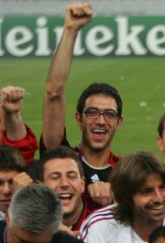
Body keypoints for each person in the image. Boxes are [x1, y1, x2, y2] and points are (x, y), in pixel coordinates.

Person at [42, 4, 123, 211]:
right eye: (92, 112)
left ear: (119, 122)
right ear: (78, 118)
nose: (101, 121)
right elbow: (54, 92)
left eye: (110, 114)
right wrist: (70, 31)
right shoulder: (62, 159)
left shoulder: (126, 172)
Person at [38, 146, 90, 233]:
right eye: (55, 177)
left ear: (82, 184)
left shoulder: (102, 225)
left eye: (71, 176)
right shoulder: (29, 229)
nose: (64, 184)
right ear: (40, 187)